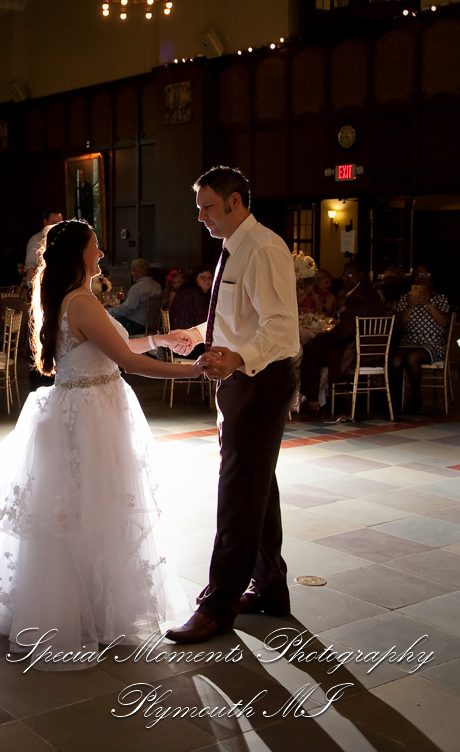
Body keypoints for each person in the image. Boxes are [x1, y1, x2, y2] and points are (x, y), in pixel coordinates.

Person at [0, 219, 197, 666]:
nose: (102, 253)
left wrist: (164, 339)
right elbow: (126, 359)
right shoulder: (83, 302)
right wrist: (193, 371)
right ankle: (82, 610)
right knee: (91, 512)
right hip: (91, 418)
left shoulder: (71, 299)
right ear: (79, 255)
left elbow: (116, 345)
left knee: (85, 510)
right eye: (96, 247)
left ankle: (93, 603)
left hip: (85, 409)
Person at [164, 166, 300, 645]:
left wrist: (239, 357)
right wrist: (199, 335)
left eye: (208, 208)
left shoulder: (263, 247)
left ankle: (219, 606)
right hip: (242, 374)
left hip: (260, 378)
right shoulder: (234, 246)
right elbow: (237, 318)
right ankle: (270, 589)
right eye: (198, 208)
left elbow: (281, 327)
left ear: (237, 201)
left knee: (240, 487)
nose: (200, 217)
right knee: (258, 483)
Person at [299, 261, 387, 413]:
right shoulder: (369, 293)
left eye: (349, 275)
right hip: (372, 349)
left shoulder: (360, 296)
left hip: (358, 353)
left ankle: (313, 400)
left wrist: (321, 338)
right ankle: (323, 396)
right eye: (344, 275)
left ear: (361, 276)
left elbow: (345, 331)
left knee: (310, 350)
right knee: (316, 346)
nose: (345, 279)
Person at [391, 265, 451, 414]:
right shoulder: (405, 298)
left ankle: (416, 397)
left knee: (413, 357)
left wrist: (428, 304)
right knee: (395, 359)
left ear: (432, 278)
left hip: (432, 343)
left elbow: (444, 322)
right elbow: (399, 323)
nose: (421, 277)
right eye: (418, 274)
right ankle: (394, 400)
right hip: (408, 340)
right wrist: (410, 307)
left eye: (426, 274)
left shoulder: (440, 298)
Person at [108, 258, 164, 335]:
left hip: (135, 325)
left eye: (133, 271)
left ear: (140, 272)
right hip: (152, 325)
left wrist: (109, 312)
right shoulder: (157, 286)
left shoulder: (137, 288)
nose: (131, 273)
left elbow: (127, 308)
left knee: (108, 322)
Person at [24, 208, 63, 284]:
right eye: (54, 223)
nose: (57, 226)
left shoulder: (61, 240)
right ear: (45, 222)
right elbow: (30, 267)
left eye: (60, 223)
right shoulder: (36, 240)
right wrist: (38, 286)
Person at [169, 265, 212, 332]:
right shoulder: (193, 294)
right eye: (203, 277)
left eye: (209, 278)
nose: (207, 280)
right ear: (195, 278)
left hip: (181, 334)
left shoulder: (187, 291)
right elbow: (203, 321)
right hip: (187, 336)